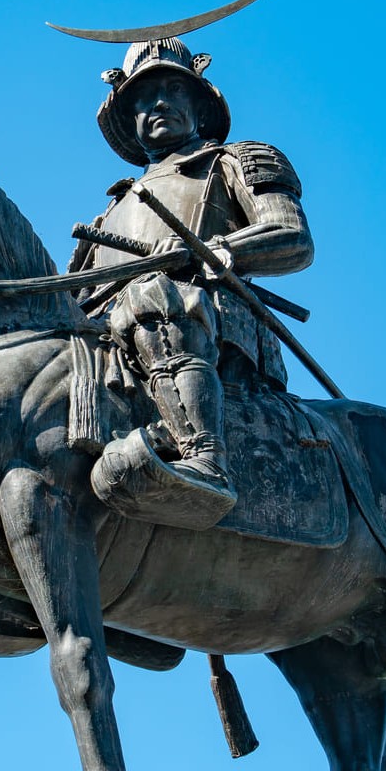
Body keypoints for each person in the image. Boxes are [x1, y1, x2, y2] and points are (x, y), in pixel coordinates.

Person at [70, 37, 314, 529]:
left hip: (213, 326)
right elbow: (76, 300)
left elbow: (291, 235)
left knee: (155, 297)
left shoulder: (236, 160)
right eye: (143, 97)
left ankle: (205, 458)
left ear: (199, 106)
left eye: (173, 90)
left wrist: (209, 250)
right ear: (130, 119)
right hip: (116, 343)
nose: (158, 103)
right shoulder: (110, 213)